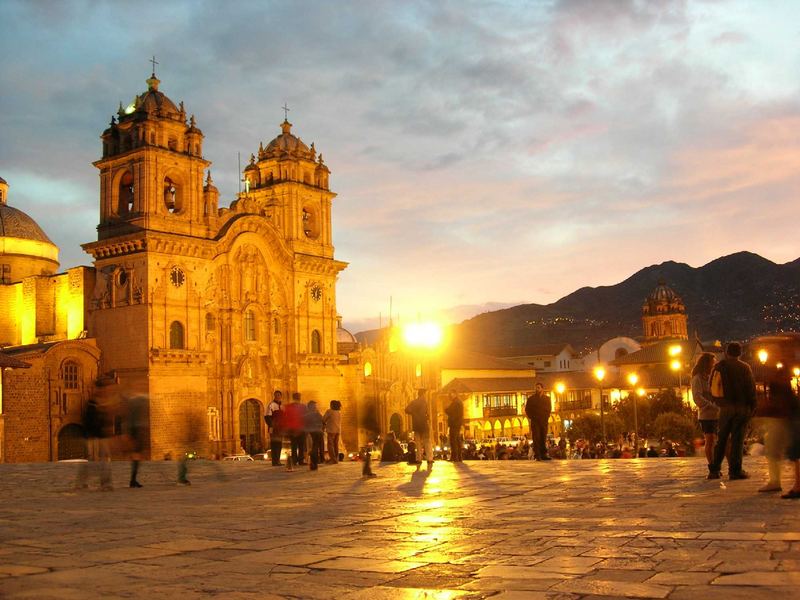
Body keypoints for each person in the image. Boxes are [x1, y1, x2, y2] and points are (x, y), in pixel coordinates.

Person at [708, 342, 757, 480]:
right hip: (742, 408)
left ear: (726, 352)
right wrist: (753, 406)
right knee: (737, 440)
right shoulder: (745, 367)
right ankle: (735, 470)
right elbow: (751, 389)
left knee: (721, 439)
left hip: (725, 408)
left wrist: (719, 402)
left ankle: (715, 469)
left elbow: (712, 386)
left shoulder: (720, 366)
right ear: (739, 353)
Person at [758, 363, 796, 493]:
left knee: (774, 449)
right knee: (780, 449)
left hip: (780, 415)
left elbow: (781, 397)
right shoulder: (781, 370)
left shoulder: (779, 373)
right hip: (784, 415)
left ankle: (775, 481)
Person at [76, 377, 115, 490]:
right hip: (93, 436)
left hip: (102, 436)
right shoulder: (92, 403)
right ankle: (82, 482)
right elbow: (88, 420)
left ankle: (106, 483)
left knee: (105, 459)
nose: (106, 391)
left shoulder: (104, 402)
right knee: (91, 459)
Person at [691, 352, 719, 476]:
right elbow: (697, 397)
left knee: (722, 440)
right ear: (707, 364)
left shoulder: (713, 377)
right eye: (713, 362)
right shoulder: (697, 378)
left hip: (718, 413)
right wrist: (711, 405)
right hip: (707, 414)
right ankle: (712, 467)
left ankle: (720, 465)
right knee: (710, 440)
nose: (715, 364)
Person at [405, 389, 433, 468]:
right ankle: (429, 458)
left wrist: (413, 413)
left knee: (418, 443)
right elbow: (427, 413)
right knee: (427, 442)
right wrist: (427, 418)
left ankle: (419, 459)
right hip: (424, 424)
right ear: (423, 394)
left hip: (416, 425)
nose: (425, 395)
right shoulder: (425, 402)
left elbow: (406, 410)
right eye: (425, 394)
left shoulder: (413, 402)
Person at [525, 383, 552, 461]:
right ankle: (537, 455)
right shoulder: (531, 399)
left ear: (542, 389)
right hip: (535, 421)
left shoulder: (547, 399)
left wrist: (546, 416)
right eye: (536, 388)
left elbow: (549, 409)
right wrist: (532, 417)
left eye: (539, 388)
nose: (537, 389)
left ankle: (543, 454)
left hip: (543, 421)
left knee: (543, 437)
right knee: (536, 438)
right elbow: (527, 410)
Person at [126, 394, 148, 488]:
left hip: (135, 433)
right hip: (136, 433)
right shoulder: (135, 411)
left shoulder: (132, 409)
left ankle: (133, 480)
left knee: (136, 458)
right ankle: (133, 480)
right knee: (136, 457)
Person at [284, 392, 307, 466]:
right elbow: (305, 417)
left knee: (294, 445)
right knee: (301, 445)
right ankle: (300, 460)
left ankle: (294, 460)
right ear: (299, 398)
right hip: (300, 428)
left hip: (292, 429)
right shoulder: (303, 407)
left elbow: (286, 418)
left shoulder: (288, 406)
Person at [264, 390, 284, 466]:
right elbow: (266, 416)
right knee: (274, 444)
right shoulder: (271, 405)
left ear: (281, 396)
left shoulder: (282, 406)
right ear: (274, 396)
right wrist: (271, 426)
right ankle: (274, 461)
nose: (278, 396)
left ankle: (278, 460)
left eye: (279, 395)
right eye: (276, 395)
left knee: (279, 444)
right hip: (273, 428)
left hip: (280, 428)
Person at [304, 400, 324, 470]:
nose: (315, 407)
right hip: (317, 432)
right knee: (315, 447)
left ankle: (314, 463)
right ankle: (315, 463)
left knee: (313, 448)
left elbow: (305, 425)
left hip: (312, 433)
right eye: (315, 406)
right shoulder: (318, 414)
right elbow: (323, 422)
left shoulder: (307, 416)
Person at [445, 392, 464, 462]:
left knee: (453, 441)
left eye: (451, 395)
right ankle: (459, 457)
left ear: (455, 394)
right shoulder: (458, 402)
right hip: (457, 423)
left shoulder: (455, 403)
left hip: (454, 423)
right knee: (457, 440)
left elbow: (450, 411)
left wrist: (446, 409)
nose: (450, 396)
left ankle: (455, 457)